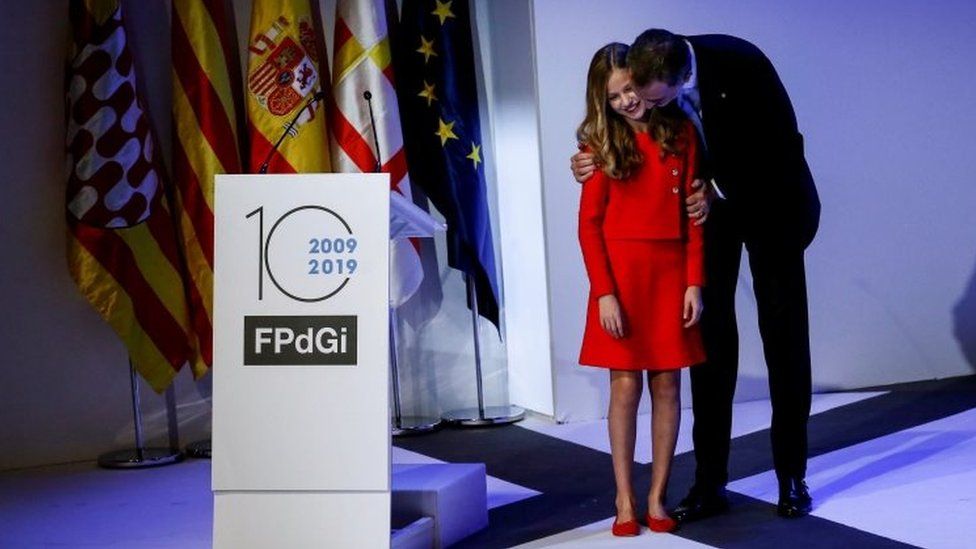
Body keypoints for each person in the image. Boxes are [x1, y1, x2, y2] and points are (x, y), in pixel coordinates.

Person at [571, 29, 821, 521]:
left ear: (682, 78)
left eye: (656, 99)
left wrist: (717, 188)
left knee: (784, 340)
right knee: (710, 347)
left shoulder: (743, 63)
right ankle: (710, 482)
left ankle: (792, 475)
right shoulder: (648, 67)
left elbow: (783, 151)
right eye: (639, 96)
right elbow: (628, 131)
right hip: (706, 217)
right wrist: (586, 157)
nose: (642, 105)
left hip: (773, 206)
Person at [577, 42, 705, 536]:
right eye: (613, 97)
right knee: (625, 386)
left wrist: (695, 281)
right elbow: (589, 227)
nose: (626, 101)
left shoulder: (682, 133)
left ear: (645, 80)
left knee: (669, 383)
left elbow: (695, 217)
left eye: (630, 88)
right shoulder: (598, 149)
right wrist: (604, 292)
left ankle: (658, 496)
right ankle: (625, 498)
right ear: (601, 102)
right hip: (622, 281)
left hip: (671, 275)